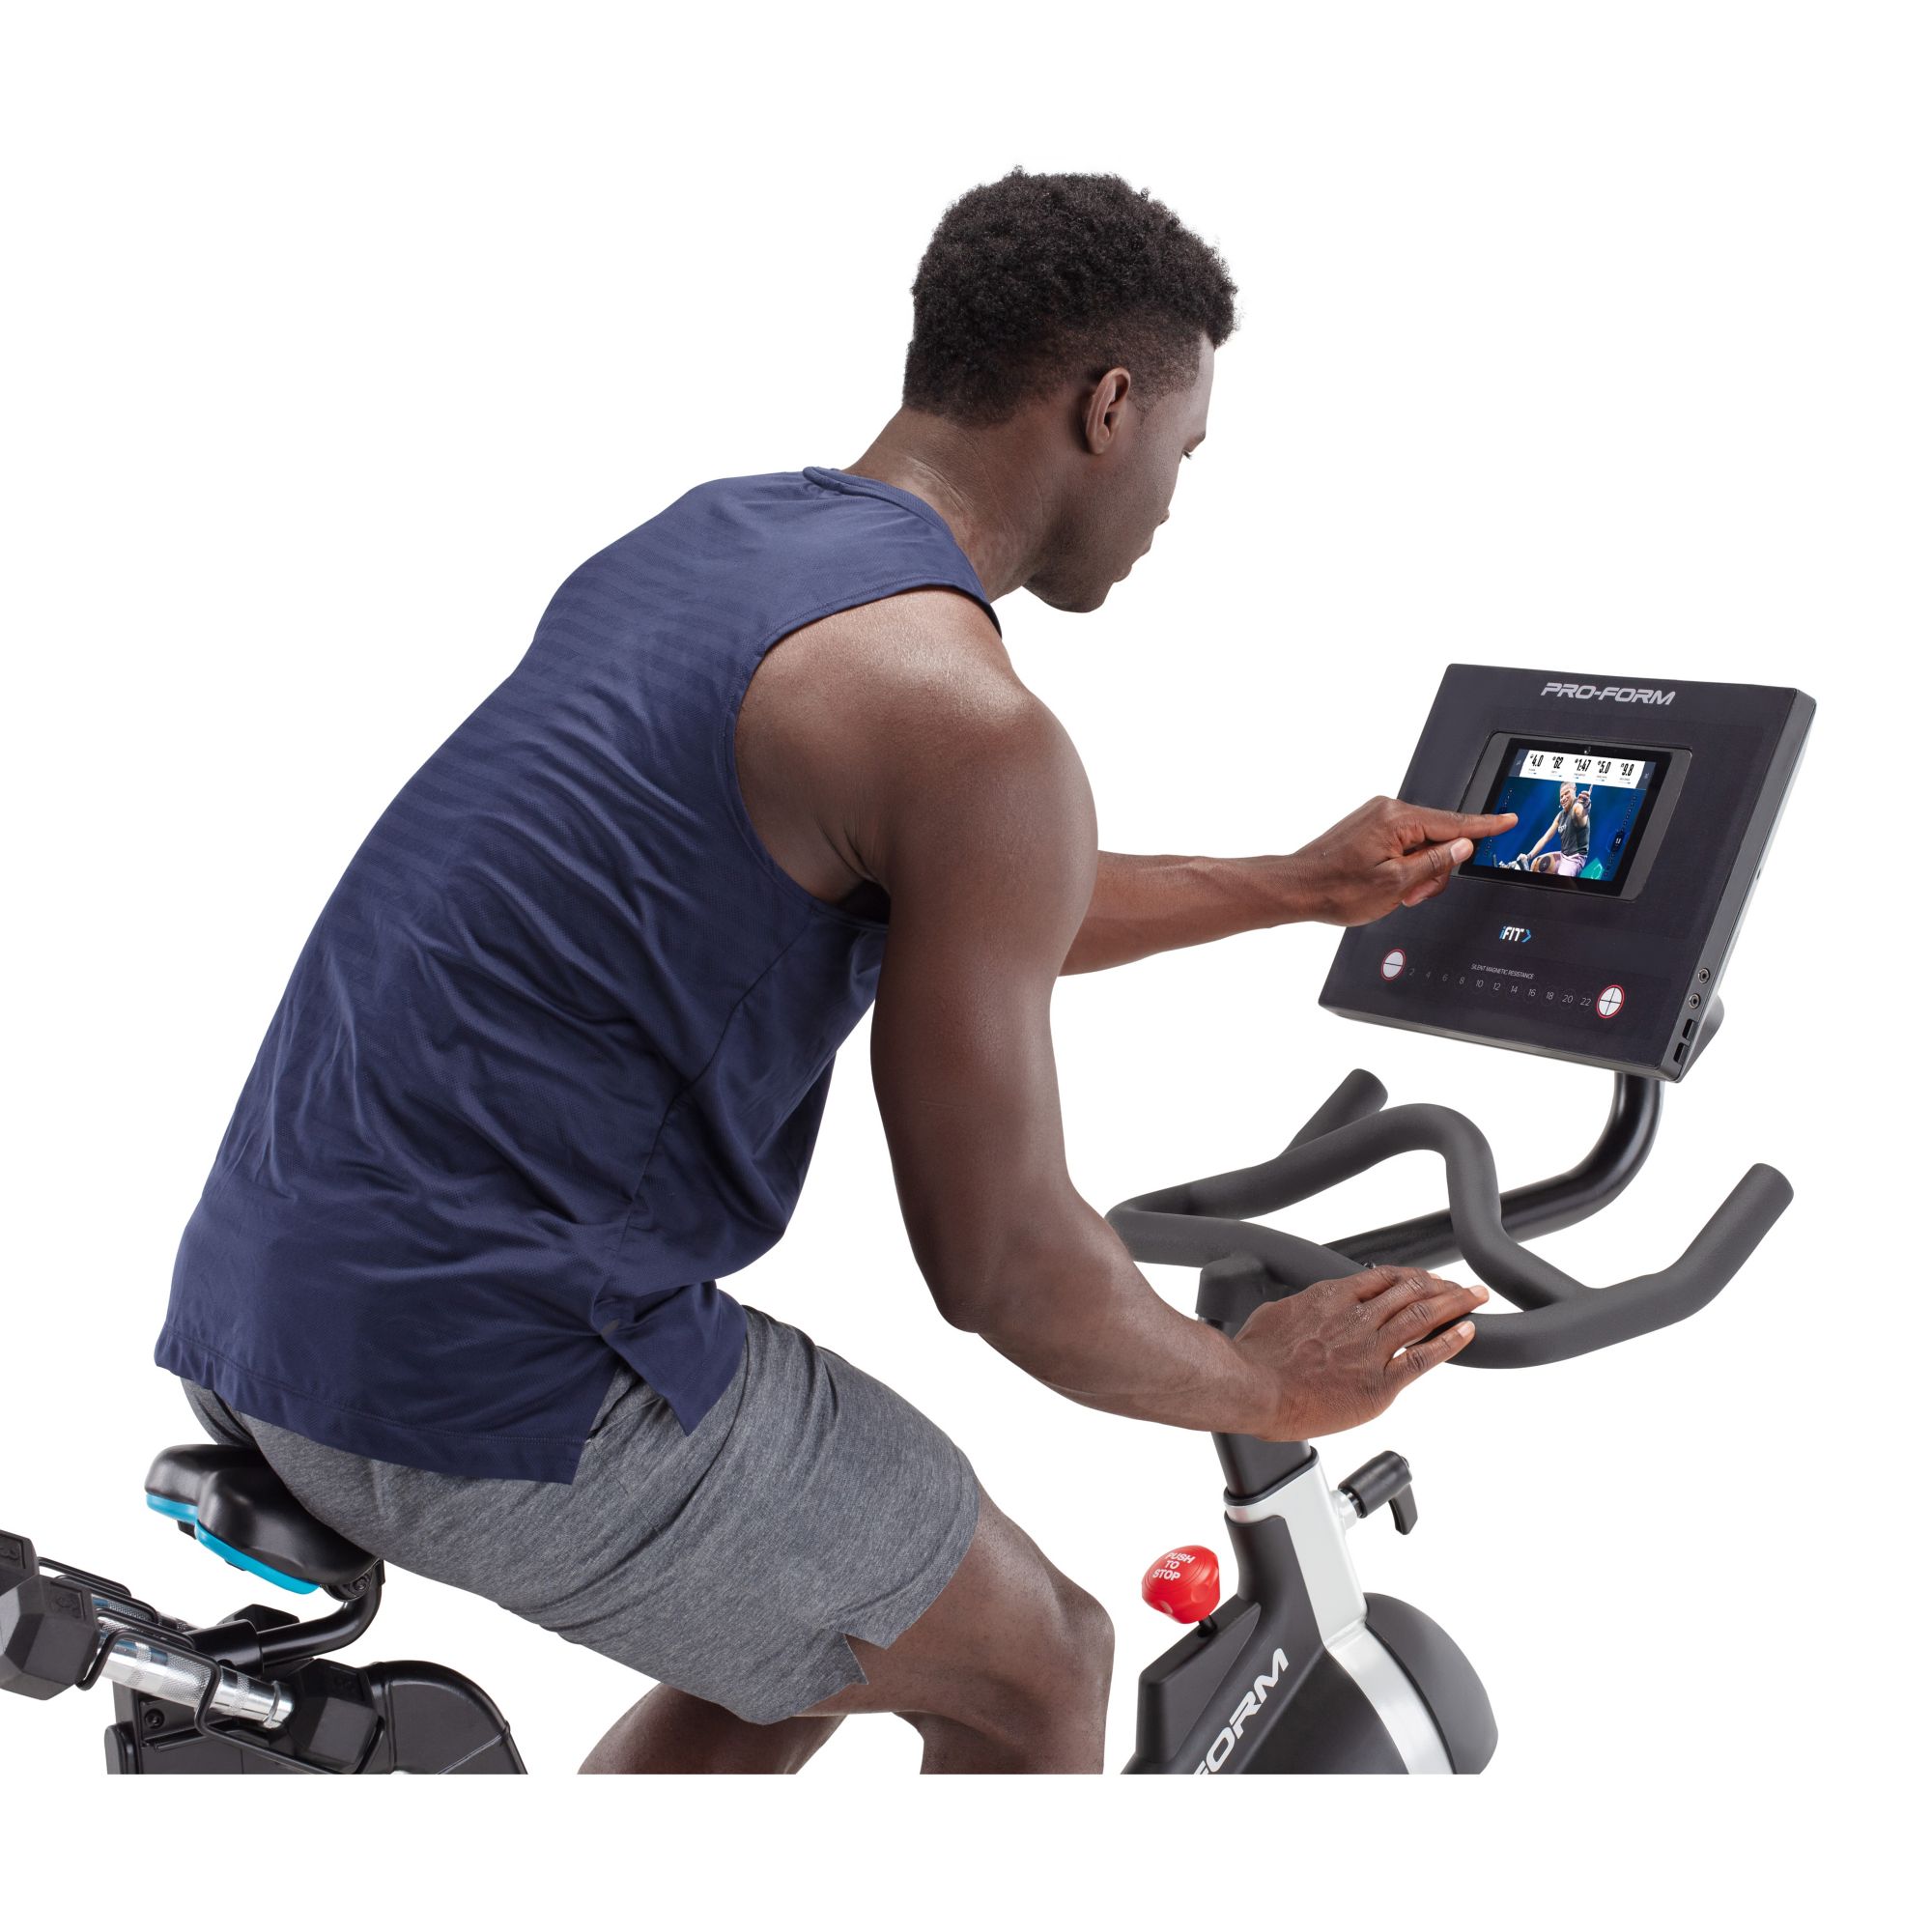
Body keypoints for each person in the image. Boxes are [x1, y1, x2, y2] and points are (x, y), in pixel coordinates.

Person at [156, 169, 1516, 1775]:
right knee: (1039, 1661)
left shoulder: (720, 542)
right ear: (1110, 406)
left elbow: (960, 893)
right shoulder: (969, 726)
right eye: (1184, 450)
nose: (1171, 502)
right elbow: (1002, 1270)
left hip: (268, 1300)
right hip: (490, 1370)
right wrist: (1264, 1388)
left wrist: (1290, 888)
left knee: (822, 1635)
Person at [1523, 780, 1592, 876]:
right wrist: (1528, 857)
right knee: (1536, 863)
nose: (1563, 798)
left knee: (1559, 881)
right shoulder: (1560, 816)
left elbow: (1582, 813)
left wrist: (1586, 806)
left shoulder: (1577, 807)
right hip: (1563, 855)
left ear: (1574, 789)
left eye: (1566, 793)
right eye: (1561, 796)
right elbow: (1545, 838)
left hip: (1575, 859)